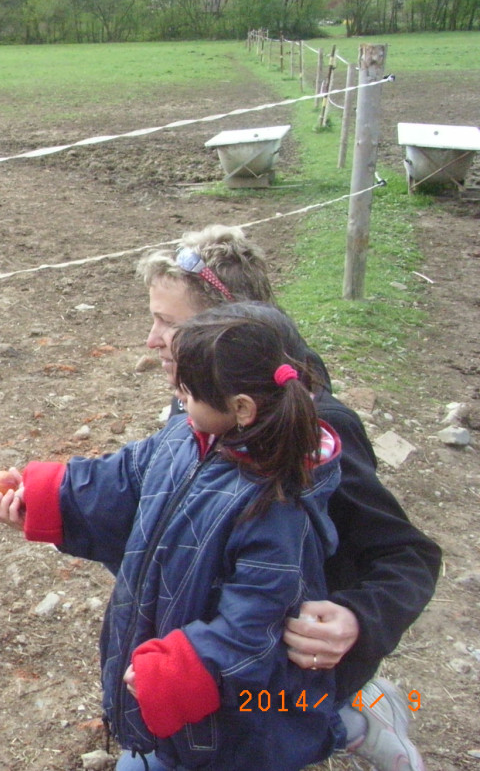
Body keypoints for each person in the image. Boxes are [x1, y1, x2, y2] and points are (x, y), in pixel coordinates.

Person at [0, 303, 344, 770]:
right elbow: (123, 478)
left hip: (234, 723)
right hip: (168, 698)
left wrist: (182, 672)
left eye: (187, 392)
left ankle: (356, 720)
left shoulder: (275, 505)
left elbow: (256, 623)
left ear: (241, 408)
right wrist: (45, 495)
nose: (178, 398)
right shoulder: (186, 436)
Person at [137, 224, 440, 771]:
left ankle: (354, 718)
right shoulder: (198, 406)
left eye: (169, 324)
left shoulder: (316, 436)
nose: (152, 340)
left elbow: (408, 556)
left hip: (268, 672)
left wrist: (356, 620)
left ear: (231, 333)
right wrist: (59, 504)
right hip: (206, 650)